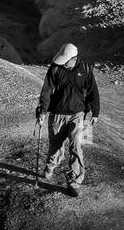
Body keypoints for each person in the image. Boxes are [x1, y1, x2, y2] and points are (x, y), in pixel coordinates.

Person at [35, 42, 100, 196]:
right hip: (57, 114)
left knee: (76, 147)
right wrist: (42, 112)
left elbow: (93, 92)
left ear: (74, 58)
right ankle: (51, 165)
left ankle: (74, 181)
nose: (63, 63)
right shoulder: (55, 68)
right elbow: (46, 92)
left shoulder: (85, 69)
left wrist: (95, 113)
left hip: (78, 115)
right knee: (55, 145)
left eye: (66, 60)